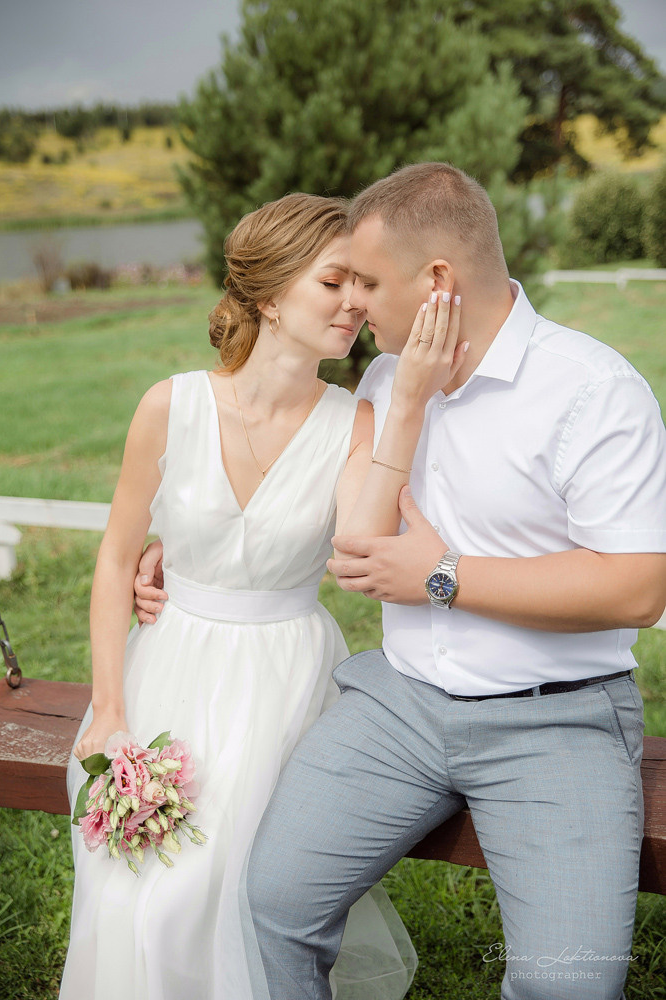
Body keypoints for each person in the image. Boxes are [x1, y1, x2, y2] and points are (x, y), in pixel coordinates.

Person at [230, 164, 665, 1000]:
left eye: (367, 281)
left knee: (568, 988)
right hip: (399, 705)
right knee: (274, 903)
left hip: (556, 719)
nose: (353, 302)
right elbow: (348, 538)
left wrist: (442, 577)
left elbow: (636, 589)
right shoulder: (388, 378)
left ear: (436, 280)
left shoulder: (593, 391)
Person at [60, 190, 469, 1000]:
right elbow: (115, 560)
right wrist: (108, 709)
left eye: (361, 285)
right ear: (270, 296)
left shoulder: (353, 423)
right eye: (332, 283)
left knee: (218, 890)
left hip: (282, 682)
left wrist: (407, 408)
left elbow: (356, 547)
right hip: (167, 665)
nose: (355, 303)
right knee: (138, 898)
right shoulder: (170, 404)